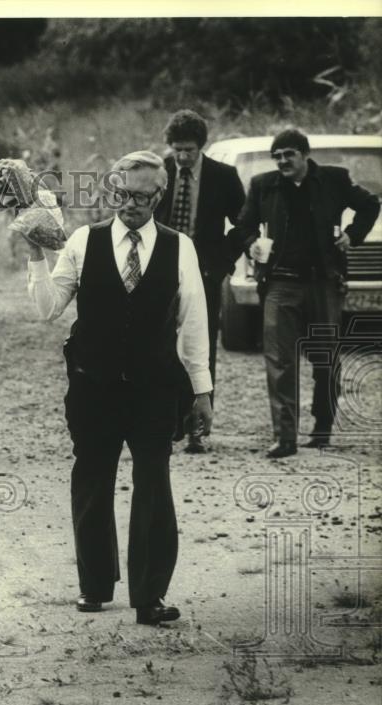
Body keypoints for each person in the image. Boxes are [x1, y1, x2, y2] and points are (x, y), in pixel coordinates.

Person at [25, 150, 213, 625]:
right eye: (122, 194)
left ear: (159, 196)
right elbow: (48, 308)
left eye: (143, 197)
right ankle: (93, 585)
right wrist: (34, 255)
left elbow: (194, 323)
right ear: (111, 190)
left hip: (154, 387)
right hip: (94, 386)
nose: (131, 204)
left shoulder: (179, 247)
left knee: (154, 485)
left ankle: (149, 596)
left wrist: (202, 390)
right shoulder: (84, 242)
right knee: (91, 479)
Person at [229, 128, 380, 458]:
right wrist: (251, 242)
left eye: (289, 155)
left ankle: (322, 428)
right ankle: (285, 437)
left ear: (304, 154)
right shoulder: (263, 185)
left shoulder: (334, 180)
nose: (282, 161)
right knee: (280, 361)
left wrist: (352, 236)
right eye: (277, 156)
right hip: (280, 284)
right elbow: (242, 225)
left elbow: (369, 204)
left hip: (323, 283)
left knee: (325, 358)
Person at [155, 109, 245, 454]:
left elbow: (244, 224)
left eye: (189, 150)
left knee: (200, 348)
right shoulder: (158, 170)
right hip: (160, 273)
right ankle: (166, 424)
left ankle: (197, 429)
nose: (182, 157)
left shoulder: (223, 176)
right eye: (177, 149)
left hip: (204, 273)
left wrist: (221, 262)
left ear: (201, 147)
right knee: (158, 345)